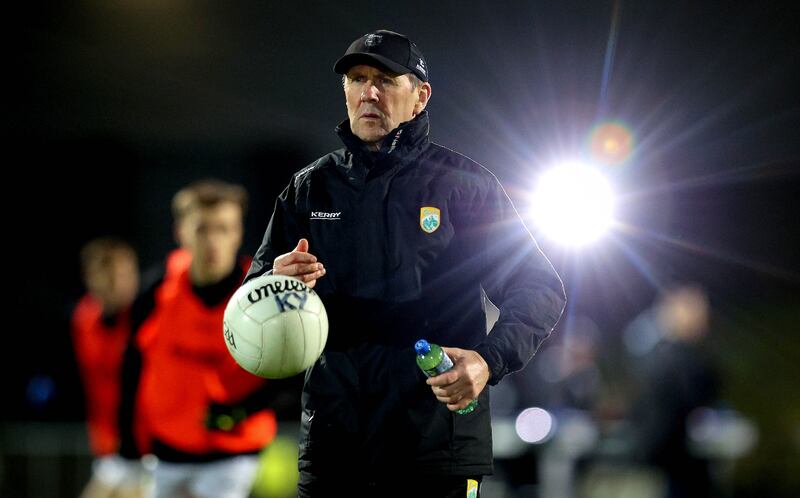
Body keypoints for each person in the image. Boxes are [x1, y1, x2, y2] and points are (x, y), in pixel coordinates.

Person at [245, 29, 566, 497]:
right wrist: (276, 283)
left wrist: (486, 361)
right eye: (357, 79)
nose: (368, 92)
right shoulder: (309, 190)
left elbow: (540, 288)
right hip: (337, 447)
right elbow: (251, 299)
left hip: (435, 447)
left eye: (386, 79)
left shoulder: (465, 187)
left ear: (420, 97)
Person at [119, 180, 278, 498]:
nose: (213, 241)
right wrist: (127, 438)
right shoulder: (157, 290)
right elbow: (132, 362)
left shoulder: (263, 296)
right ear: (181, 233)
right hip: (166, 451)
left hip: (231, 453)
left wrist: (243, 410)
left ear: (239, 233)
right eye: (202, 229)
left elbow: (293, 369)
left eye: (223, 229)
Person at [72, 237, 149, 498]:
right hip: (111, 446)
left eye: (127, 274)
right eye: (111, 277)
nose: (121, 285)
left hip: (148, 446)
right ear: (91, 279)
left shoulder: (149, 316)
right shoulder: (84, 319)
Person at [628, 284, 719, 498]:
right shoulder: (676, 358)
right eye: (698, 311)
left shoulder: (660, 355)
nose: (705, 317)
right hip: (672, 460)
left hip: (666, 457)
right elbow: (689, 403)